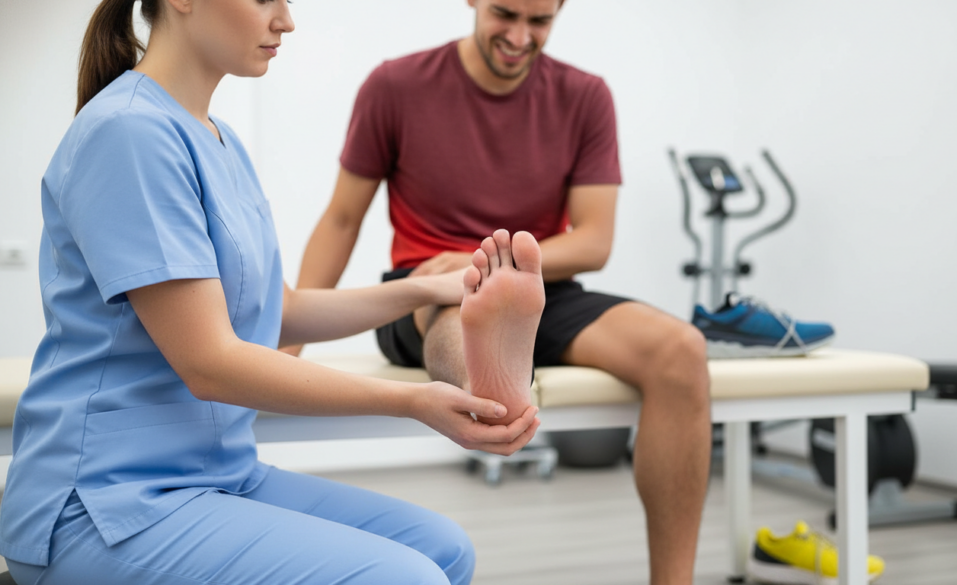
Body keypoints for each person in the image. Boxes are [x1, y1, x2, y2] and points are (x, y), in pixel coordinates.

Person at [0, 1, 543, 584]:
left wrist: (428, 289)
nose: (286, 20)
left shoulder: (220, 140)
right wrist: (414, 401)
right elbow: (211, 363)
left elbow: (283, 310)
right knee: (408, 578)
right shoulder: (129, 132)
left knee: (445, 550)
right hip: (104, 501)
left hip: (218, 474)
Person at [293, 0, 712, 583]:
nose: (518, 36)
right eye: (504, 13)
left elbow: (593, 240)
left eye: (539, 22)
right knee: (457, 308)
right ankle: (488, 379)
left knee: (682, 350)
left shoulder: (585, 96)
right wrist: (291, 334)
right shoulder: (394, 86)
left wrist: (499, 261)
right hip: (427, 284)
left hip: (538, 285)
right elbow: (342, 219)